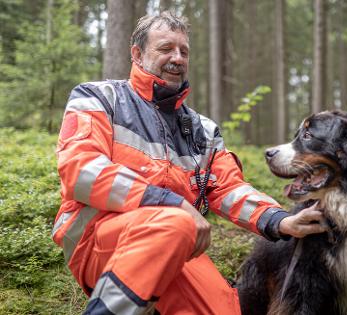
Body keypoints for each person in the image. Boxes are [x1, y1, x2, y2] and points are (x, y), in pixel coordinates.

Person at [52, 11, 326, 315]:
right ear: (137, 54)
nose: (178, 58)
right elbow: (81, 171)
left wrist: (280, 220)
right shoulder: (98, 98)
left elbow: (229, 189)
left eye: (184, 51)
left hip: (175, 242)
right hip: (96, 238)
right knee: (174, 223)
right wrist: (173, 204)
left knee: (226, 309)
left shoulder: (202, 129)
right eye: (166, 48)